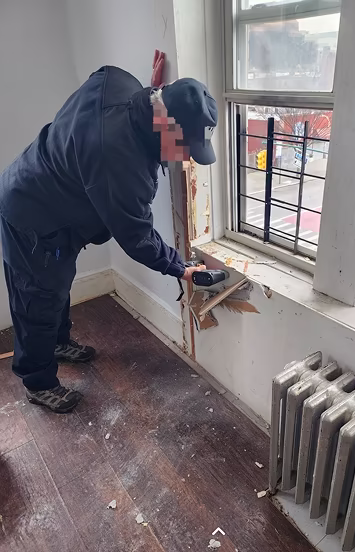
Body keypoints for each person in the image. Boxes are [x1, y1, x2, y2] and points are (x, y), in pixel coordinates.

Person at [0, 63, 217, 413]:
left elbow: (102, 77)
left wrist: (157, 94)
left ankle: (57, 343)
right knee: (37, 299)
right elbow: (137, 237)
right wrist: (182, 269)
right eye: (184, 146)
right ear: (165, 126)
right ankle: (38, 382)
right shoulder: (119, 162)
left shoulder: (120, 82)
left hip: (59, 203)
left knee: (56, 285)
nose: (187, 157)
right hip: (32, 215)